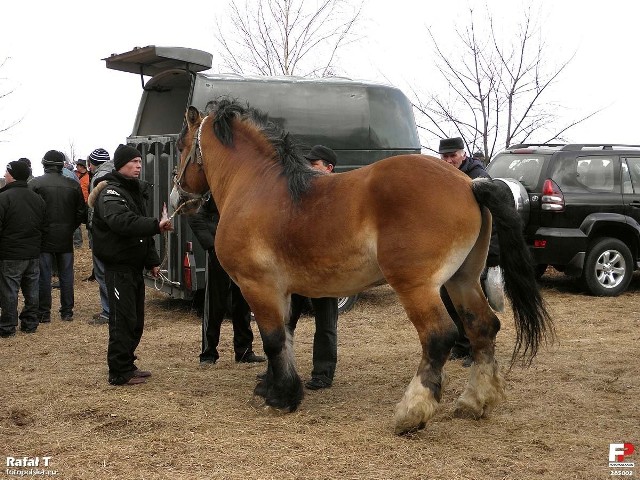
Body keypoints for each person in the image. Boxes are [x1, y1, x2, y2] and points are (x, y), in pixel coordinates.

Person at [90, 144, 173, 386]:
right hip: (118, 268)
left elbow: (142, 235)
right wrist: (156, 224)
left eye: (139, 162)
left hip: (134, 267)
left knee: (135, 320)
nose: (138, 166)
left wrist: (153, 262)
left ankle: (128, 364)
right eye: (133, 162)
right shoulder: (110, 193)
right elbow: (123, 222)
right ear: (120, 165)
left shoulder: (133, 192)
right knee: (122, 320)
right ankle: (118, 372)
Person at [438, 137, 500, 367]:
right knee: (449, 298)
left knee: (474, 302)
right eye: (444, 157)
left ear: (463, 154)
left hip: (478, 251)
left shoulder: (477, 175)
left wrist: (491, 257)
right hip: (457, 249)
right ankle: (463, 346)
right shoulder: (445, 176)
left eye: (452, 156)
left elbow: (489, 218)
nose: (448, 160)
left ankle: (480, 349)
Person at [188, 197, 265, 365]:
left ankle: (244, 351)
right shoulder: (212, 190)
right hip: (219, 253)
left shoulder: (245, 187)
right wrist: (212, 245)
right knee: (215, 303)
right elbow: (194, 214)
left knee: (243, 303)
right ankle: (208, 354)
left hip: (242, 252)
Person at [288, 145, 340, 390]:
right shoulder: (300, 193)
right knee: (285, 321)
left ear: (328, 168)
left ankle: (323, 374)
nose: (308, 168)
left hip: (325, 271)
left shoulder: (340, 196)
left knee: (326, 325)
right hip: (297, 269)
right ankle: (279, 367)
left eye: (314, 164)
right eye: (307, 163)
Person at [29, 150, 87, 323]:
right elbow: (81, 212)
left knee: (44, 275)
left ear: (44, 164)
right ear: (62, 165)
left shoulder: (35, 184)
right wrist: (70, 227)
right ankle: (67, 312)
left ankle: (44, 313)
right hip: (65, 235)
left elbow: (30, 212)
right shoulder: (73, 184)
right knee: (66, 275)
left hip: (43, 236)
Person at [0, 161, 46, 337]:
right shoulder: (37, 198)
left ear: (12, 175)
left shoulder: (3, 198)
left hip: (11, 253)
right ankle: (30, 323)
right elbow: (44, 225)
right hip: (33, 252)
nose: (4, 174)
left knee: (9, 291)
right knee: (31, 289)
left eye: (6, 172)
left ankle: (7, 326)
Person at [85, 148, 112, 322]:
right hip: (115, 232)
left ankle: (108, 311)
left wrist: (91, 228)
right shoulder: (117, 172)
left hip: (101, 233)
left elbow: (95, 209)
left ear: (93, 164)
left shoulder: (98, 178)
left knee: (102, 272)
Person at [73, 159, 90, 248]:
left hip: (87, 202)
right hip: (77, 201)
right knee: (77, 221)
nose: (76, 167)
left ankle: (91, 242)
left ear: (82, 166)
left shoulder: (89, 176)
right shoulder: (74, 174)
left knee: (89, 222)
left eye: (78, 166)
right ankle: (78, 243)